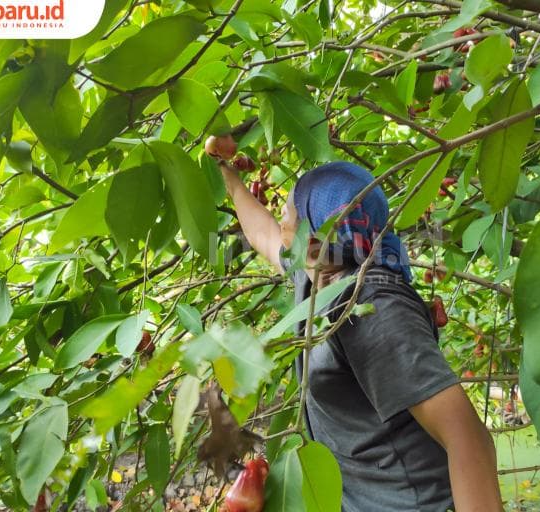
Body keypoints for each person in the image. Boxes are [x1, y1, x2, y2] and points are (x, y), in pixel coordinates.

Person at [212, 147, 503, 512]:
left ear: (314, 235)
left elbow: (468, 438)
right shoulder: (317, 275)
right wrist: (223, 167)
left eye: (287, 212)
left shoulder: (371, 306)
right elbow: (262, 233)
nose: (281, 221)